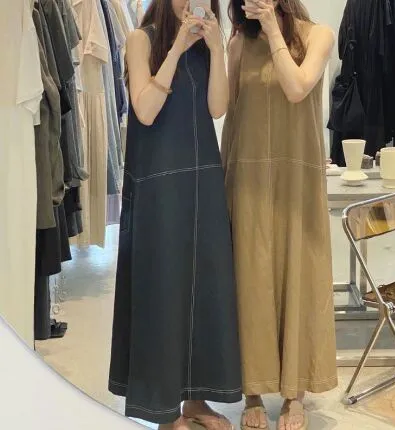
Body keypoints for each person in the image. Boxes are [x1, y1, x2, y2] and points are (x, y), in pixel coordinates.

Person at [108, 0, 242, 429]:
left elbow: (217, 108)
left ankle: (196, 402)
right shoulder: (140, 40)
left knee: (204, 289)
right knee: (162, 291)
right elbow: (145, 110)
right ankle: (164, 412)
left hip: (202, 179)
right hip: (158, 184)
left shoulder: (206, 45)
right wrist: (176, 50)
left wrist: (216, 50)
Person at [221, 0, 338, 429]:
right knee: (248, 280)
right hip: (246, 176)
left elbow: (297, 87)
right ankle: (251, 391)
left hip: (297, 180)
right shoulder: (239, 44)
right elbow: (227, 109)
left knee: (298, 277)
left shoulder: (318, 36)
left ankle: (295, 395)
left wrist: (273, 30)